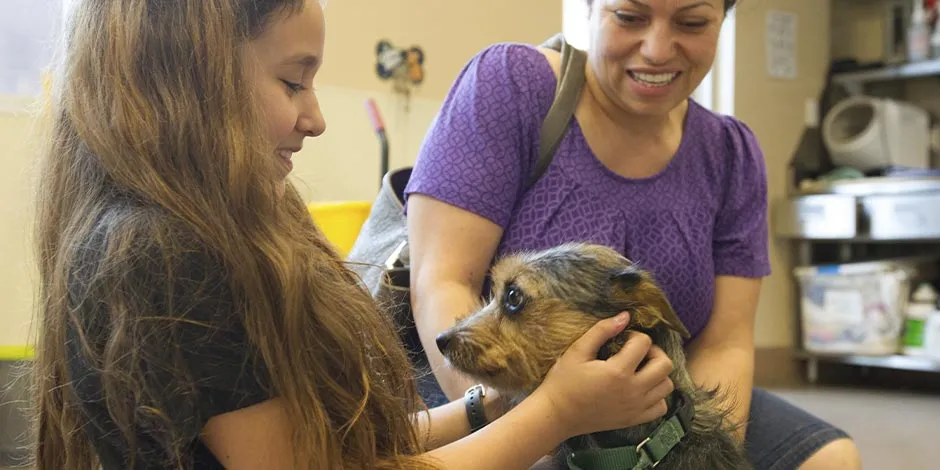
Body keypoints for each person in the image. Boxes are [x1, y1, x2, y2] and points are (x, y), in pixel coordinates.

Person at [30, 1, 679, 469]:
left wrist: (493, 409)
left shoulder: (229, 231)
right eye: (292, 81)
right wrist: (555, 416)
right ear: (184, 78)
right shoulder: (165, 256)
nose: (315, 117)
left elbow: (328, 451)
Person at [404, 0, 863, 469]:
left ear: (723, 20)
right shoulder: (510, 84)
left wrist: (690, 455)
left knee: (830, 458)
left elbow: (724, 343)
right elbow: (442, 282)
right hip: (483, 384)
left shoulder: (730, 153)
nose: (657, 50)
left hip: (661, 396)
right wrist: (529, 428)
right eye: (629, 16)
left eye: (691, 22)